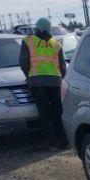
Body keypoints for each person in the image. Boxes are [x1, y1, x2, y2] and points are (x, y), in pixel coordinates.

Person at [19, 17, 67, 149]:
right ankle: (64, 141)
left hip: (37, 82)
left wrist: (29, 76)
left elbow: (23, 62)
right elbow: (62, 66)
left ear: (37, 28)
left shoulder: (28, 41)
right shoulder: (56, 44)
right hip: (55, 82)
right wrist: (61, 79)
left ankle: (53, 143)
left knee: (46, 115)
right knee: (59, 112)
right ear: (48, 29)